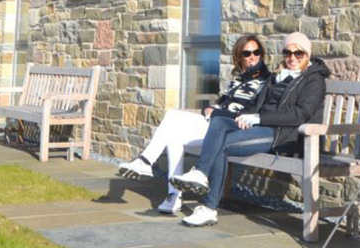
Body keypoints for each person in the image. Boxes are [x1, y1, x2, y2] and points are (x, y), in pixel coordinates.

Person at [170, 31, 329, 227]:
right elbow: (255, 106)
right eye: (288, 53)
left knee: (222, 146)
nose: (292, 58)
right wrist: (223, 113)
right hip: (262, 126)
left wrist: (258, 118)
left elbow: (300, 114)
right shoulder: (277, 76)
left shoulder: (313, 79)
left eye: (299, 54)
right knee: (219, 123)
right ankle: (201, 175)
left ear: (307, 54)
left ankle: (208, 207)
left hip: (281, 135)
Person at [116, 35, 270, 214]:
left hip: (228, 130)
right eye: (247, 53)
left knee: (173, 115)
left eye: (256, 52)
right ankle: (173, 196)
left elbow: (249, 114)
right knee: (174, 137)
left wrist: (217, 112)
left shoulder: (265, 82)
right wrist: (210, 108)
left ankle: (145, 161)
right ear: (239, 57)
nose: (252, 56)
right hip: (214, 123)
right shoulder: (237, 80)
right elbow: (223, 104)